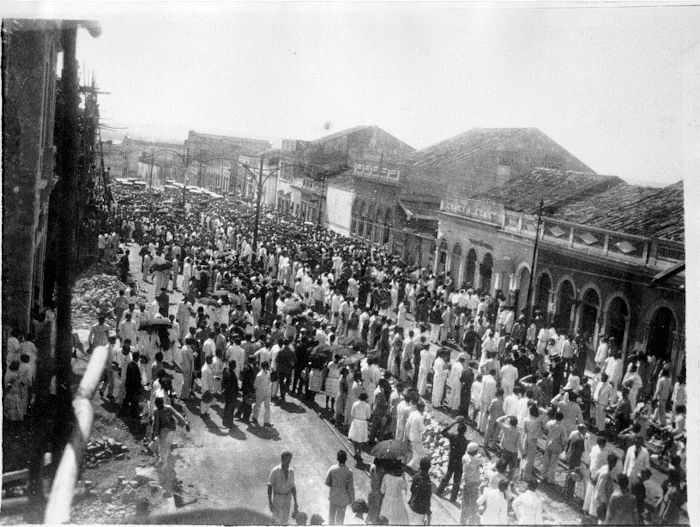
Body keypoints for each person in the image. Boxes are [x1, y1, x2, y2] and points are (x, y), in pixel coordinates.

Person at [152, 396, 189, 490]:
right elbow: (156, 424)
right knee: (161, 447)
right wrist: (154, 434)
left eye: (160, 404)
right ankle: (162, 462)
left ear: (162, 403)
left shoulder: (169, 408)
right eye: (158, 405)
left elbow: (178, 415)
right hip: (162, 431)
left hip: (170, 430)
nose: (159, 406)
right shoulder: (156, 412)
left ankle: (164, 465)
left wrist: (185, 423)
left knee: (165, 447)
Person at [436, 418, 468, 502]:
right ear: (465, 431)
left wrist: (453, 424)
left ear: (457, 429)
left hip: (452, 458)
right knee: (457, 480)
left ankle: (439, 491)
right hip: (460, 461)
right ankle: (453, 498)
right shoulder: (465, 441)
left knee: (448, 475)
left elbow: (443, 432)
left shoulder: (453, 436)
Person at [268, 451, 299, 526]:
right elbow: (269, 486)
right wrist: (270, 502)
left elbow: (293, 487)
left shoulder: (291, 471)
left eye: (289, 460)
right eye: (285, 459)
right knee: (276, 520)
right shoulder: (275, 471)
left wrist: (295, 502)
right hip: (278, 497)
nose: (287, 462)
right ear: (282, 459)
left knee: (285, 520)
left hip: (288, 497)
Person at [325, 450, 355, 525]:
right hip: (343, 500)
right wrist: (352, 499)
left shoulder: (332, 469)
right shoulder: (349, 472)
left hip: (333, 497)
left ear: (337, 458)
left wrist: (334, 486)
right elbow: (350, 487)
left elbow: (327, 482)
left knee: (331, 519)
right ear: (346, 459)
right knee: (340, 521)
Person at [460, 442, 483, 525]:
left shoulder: (465, 457)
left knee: (464, 504)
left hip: (465, 483)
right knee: (473, 505)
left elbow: (472, 456)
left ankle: (462, 522)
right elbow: (480, 461)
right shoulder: (476, 461)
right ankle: (471, 523)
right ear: (475, 451)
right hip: (473, 485)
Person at [542, 411, 567, 484]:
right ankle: (550, 479)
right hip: (556, 446)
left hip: (548, 443)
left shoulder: (550, 423)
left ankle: (544, 476)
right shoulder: (562, 427)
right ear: (562, 418)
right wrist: (563, 447)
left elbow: (545, 428)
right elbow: (564, 439)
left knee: (546, 461)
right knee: (553, 464)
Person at [408, 457, 432, 525]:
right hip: (421, 509)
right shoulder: (428, 480)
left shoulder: (416, 476)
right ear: (429, 468)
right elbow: (428, 497)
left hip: (413, 505)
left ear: (420, 466)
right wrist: (428, 512)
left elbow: (412, 489)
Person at [348, 392, 371, 462]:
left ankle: (355, 452)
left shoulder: (355, 404)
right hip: (363, 423)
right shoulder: (367, 406)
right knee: (361, 440)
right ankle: (359, 454)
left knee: (355, 438)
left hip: (356, 422)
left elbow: (352, 413)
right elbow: (368, 416)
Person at [406, 399, 427, 472]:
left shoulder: (413, 413)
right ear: (421, 408)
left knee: (416, 453)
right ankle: (412, 466)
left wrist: (407, 434)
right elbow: (422, 429)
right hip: (416, 438)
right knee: (421, 453)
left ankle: (412, 466)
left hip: (411, 435)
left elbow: (408, 424)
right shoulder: (419, 417)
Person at [253, 361, 272, 427]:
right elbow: (255, 385)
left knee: (267, 407)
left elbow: (269, 382)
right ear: (264, 367)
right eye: (267, 366)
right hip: (260, 392)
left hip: (267, 392)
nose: (268, 367)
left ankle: (266, 422)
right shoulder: (259, 375)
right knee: (258, 405)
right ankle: (254, 417)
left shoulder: (268, 373)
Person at [222, 359, 239, 428]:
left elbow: (224, 383)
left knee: (227, 407)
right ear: (233, 365)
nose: (236, 366)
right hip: (231, 394)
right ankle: (229, 423)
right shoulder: (231, 373)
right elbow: (230, 385)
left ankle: (225, 421)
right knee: (231, 409)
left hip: (228, 393)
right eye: (235, 364)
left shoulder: (226, 371)